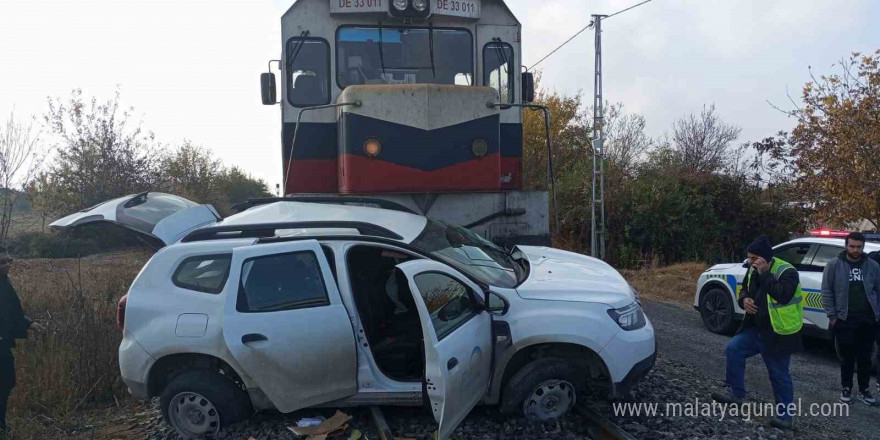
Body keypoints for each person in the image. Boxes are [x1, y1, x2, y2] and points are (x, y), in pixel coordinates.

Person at [712, 235, 804, 430]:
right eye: (749, 257)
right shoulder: (753, 269)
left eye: (754, 258)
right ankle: (735, 394)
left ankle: (785, 417)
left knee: (779, 374)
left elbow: (783, 295)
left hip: (778, 332)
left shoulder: (787, 272)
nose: (750, 261)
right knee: (734, 349)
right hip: (755, 329)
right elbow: (744, 289)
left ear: (764, 258)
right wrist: (743, 300)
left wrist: (764, 273)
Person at [821, 232, 880, 405]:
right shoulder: (834, 265)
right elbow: (826, 291)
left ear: (863, 246)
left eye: (859, 247)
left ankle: (864, 390)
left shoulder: (873, 266)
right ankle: (846, 388)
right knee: (847, 357)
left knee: (865, 358)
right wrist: (832, 316)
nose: (855, 250)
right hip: (844, 319)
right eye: (852, 246)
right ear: (846, 245)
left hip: (867, 320)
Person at [0, 247, 42, 435]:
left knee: (7, 381)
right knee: (6, 379)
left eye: (8, 260)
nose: (7, 264)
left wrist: (28, 323)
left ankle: (1, 424)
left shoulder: (4, 282)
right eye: (2, 262)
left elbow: (10, 310)